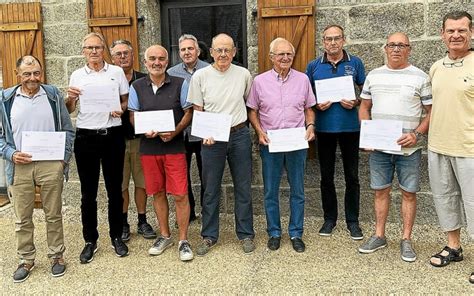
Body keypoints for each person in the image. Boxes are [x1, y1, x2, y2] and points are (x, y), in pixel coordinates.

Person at [358, 32, 432, 263]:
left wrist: (417, 134)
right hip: (379, 149)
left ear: (409, 49)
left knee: (409, 193)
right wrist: (367, 134)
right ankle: (379, 235)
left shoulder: (420, 77)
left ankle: (406, 239)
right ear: (385, 48)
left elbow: (432, 112)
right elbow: (364, 107)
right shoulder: (374, 75)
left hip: (408, 149)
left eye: (402, 45)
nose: (396, 49)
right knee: (380, 190)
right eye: (392, 45)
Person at [0, 55, 74, 282]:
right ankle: (26, 259)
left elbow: (68, 129)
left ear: (41, 73)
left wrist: (62, 160)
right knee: (22, 217)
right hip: (20, 165)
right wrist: (11, 154)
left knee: (53, 214)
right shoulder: (6, 99)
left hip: (50, 164)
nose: (32, 78)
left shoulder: (52, 95)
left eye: (36, 73)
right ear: (18, 74)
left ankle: (56, 256)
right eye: (27, 74)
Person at [187, 33, 255, 256]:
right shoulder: (200, 76)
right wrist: (205, 132)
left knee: (243, 186)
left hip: (239, 134)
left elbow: (247, 102)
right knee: (210, 188)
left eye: (227, 50)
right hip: (212, 138)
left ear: (234, 52)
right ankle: (209, 236)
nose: (223, 54)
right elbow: (198, 108)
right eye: (219, 50)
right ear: (212, 52)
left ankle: (245, 234)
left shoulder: (244, 74)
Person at [247, 38, 316, 252]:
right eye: (280, 54)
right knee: (270, 191)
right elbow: (252, 110)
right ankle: (274, 232)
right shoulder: (259, 81)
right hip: (271, 143)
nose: (285, 58)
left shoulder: (303, 79)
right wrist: (259, 132)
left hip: (296, 142)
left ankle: (296, 233)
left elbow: (309, 107)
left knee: (298, 190)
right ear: (271, 57)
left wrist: (311, 126)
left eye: (289, 54)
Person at [67, 32, 130, 263]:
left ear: (103, 49)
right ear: (83, 50)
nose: (93, 51)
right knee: (88, 193)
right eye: (89, 48)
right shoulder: (76, 75)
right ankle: (90, 240)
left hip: (112, 135)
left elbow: (125, 100)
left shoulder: (116, 72)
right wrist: (71, 98)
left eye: (97, 47)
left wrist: (121, 110)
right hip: (86, 137)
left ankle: (116, 237)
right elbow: (70, 109)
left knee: (115, 190)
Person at [128, 45, 194, 261]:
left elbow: (188, 112)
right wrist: (141, 129)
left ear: (167, 61)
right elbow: (133, 115)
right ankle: (165, 235)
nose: (157, 63)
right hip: (149, 149)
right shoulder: (136, 86)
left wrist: (174, 132)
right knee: (157, 193)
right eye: (152, 59)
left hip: (174, 147)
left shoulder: (180, 83)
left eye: (161, 59)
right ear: (145, 62)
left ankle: (183, 239)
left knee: (180, 194)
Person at [305, 25, 366, 240]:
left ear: (344, 40)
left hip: (351, 128)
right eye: (328, 39)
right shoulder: (313, 66)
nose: (333, 43)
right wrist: (316, 105)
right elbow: (306, 97)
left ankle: (353, 221)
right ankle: (329, 219)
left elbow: (366, 93)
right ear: (323, 42)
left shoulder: (355, 62)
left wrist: (356, 101)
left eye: (337, 38)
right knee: (326, 176)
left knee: (352, 176)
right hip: (325, 128)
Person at [426, 11, 473, 283]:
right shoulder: (436, 66)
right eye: (451, 31)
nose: (456, 35)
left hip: (469, 147)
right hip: (439, 146)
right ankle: (453, 247)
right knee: (444, 199)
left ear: (471, 33)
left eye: (462, 30)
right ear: (442, 34)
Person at [110, 39, 156, 242]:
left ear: (133, 55)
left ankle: (142, 219)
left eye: (126, 53)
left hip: (140, 140)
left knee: (141, 183)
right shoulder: (108, 80)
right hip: (115, 140)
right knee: (120, 185)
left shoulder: (144, 79)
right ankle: (124, 222)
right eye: (118, 54)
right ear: (111, 58)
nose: (122, 57)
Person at [167, 34, 209, 222]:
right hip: (180, 132)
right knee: (182, 175)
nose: (186, 52)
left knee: (206, 174)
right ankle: (188, 212)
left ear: (198, 51)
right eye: (183, 49)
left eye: (190, 49)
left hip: (204, 133)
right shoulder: (172, 73)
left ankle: (207, 213)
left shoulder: (209, 70)